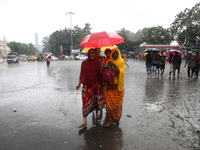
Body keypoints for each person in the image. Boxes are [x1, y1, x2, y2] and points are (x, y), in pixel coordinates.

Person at [76, 48, 105, 128]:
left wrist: (102, 67)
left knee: (96, 100)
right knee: (85, 101)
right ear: (88, 54)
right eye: (90, 53)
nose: (92, 54)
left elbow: (101, 75)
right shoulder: (84, 63)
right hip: (87, 86)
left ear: (95, 54)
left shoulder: (99, 62)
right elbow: (81, 74)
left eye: (93, 53)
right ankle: (84, 121)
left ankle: (96, 113)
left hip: (96, 85)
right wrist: (78, 84)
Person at [103, 48, 126, 127]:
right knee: (109, 104)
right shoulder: (108, 61)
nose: (115, 55)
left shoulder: (122, 61)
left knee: (117, 105)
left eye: (117, 53)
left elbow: (122, 72)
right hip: (110, 86)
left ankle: (115, 119)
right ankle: (110, 118)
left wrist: (114, 65)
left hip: (118, 87)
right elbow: (105, 72)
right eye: (114, 53)